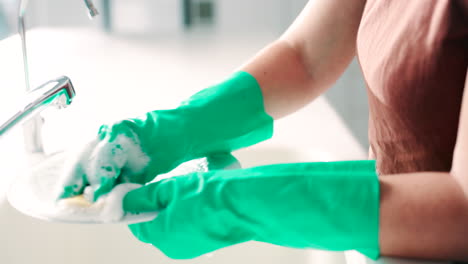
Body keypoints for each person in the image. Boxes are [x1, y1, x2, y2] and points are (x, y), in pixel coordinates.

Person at [57, 0, 468, 262]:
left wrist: (236, 202)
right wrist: (172, 129)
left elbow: (462, 210)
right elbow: (305, 55)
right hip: (387, 243)